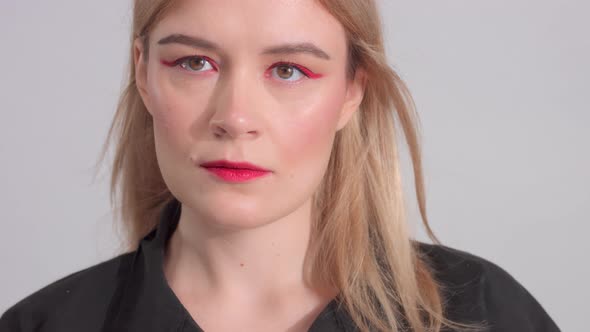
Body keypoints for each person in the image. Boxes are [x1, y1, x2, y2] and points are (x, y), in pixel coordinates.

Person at [0, 0, 560, 331]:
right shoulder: (42, 325)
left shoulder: (480, 312)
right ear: (143, 73)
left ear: (351, 92)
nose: (236, 118)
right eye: (194, 62)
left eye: (289, 70)